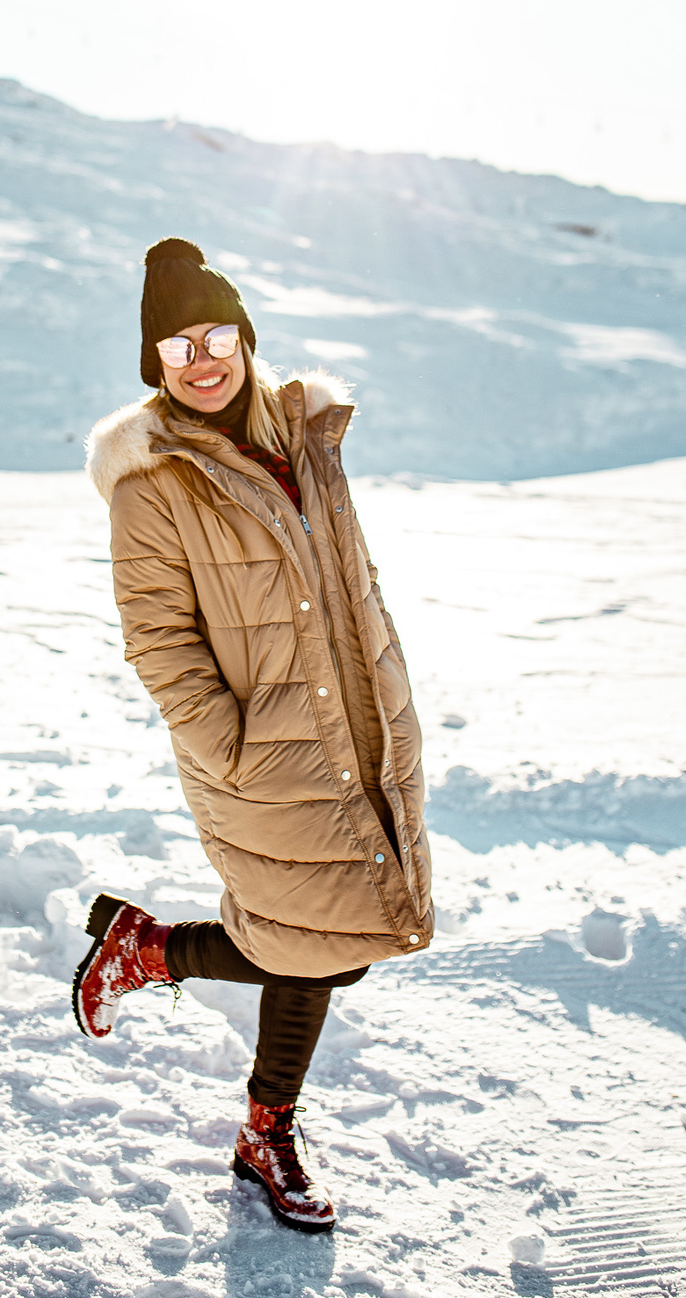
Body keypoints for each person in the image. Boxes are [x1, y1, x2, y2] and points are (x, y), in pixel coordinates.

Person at [77, 237, 432, 1233]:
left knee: (336, 936)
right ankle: (256, 1119)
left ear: (244, 338)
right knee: (321, 939)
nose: (200, 357)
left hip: (359, 731)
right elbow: (159, 639)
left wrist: (385, 686)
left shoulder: (306, 437)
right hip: (264, 750)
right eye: (175, 344)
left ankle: (155, 958)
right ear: (155, 364)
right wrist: (225, 742)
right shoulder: (153, 484)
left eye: (215, 333)